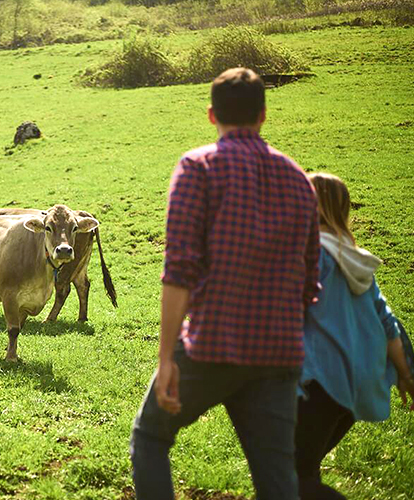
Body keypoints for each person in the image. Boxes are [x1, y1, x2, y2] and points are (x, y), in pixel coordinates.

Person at [130, 67, 320, 500]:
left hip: (211, 344)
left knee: (151, 438)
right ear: (264, 115)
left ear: (211, 115)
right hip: (279, 353)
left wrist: (166, 359)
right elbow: (310, 281)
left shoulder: (199, 167)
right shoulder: (298, 180)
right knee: (277, 477)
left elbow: (179, 271)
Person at [294, 173, 414, 500]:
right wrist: (405, 374)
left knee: (290, 479)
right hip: (355, 386)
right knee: (304, 469)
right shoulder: (354, 259)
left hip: (321, 382)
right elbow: (388, 323)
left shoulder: (310, 255)